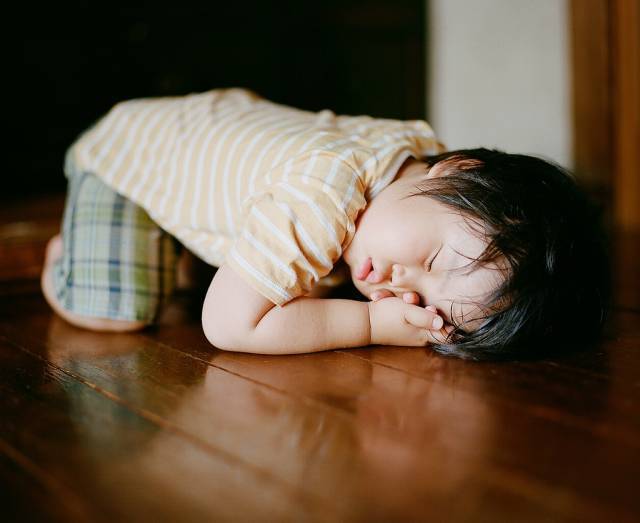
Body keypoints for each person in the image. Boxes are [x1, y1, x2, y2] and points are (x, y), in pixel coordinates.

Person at [41, 87, 611, 361]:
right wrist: (369, 325)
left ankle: (186, 255)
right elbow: (227, 328)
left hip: (203, 127)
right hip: (124, 154)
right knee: (118, 314)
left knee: (305, 281)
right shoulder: (323, 196)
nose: (397, 286)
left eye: (426, 302)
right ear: (459, 169)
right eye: (434, 262)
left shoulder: (416, 160)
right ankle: (63, 261)